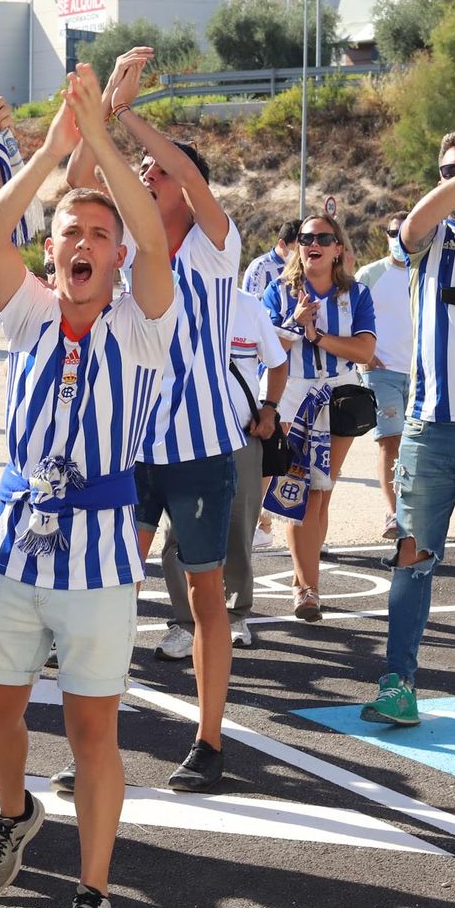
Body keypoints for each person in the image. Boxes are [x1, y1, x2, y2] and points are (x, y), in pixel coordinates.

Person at [0, 66, 173, 908]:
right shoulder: (30, 315)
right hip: (15, 542)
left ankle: (92, 894)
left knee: (93, 728)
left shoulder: (142, 322)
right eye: (68, 233)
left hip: (97, 552)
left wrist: (104, 132)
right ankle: (15, 813)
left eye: (99, 234)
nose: (82, 243)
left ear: (117, 254)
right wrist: (54, 148)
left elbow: (157, 236)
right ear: (50, 253)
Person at [68, 46, 246, 792]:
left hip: (203, 449)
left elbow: (192, 178)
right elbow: (80, 183)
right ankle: (94, 748)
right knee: (109, 588)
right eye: (143, 169)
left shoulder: (213, 245)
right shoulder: (132, 246)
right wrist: (103, 111)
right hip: (131, 446)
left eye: (158, 170)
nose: (146, 174)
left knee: (205, 594)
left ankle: (208, 739)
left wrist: (133, 114)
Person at [360, 103, 455, 728]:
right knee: (414, 559)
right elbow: (414, 224)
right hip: (431, 428)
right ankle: (399, 683)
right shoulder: (427, 240)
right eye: (450, 169)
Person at [153, 287, 286, 659]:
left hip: (240, 437)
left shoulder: (248, 305)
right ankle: (184, 624)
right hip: (183, 439)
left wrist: (270, 409)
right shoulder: (165, 299)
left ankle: (236, 616)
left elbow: (277, 363)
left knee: (238, 528)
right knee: (177, 535)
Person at [260, 214, 375, 620]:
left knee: (322, 493)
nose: (315, 243)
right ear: (297, 246)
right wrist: (296, 322)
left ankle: (302, 582)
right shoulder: (278, 291)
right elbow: (265, 345)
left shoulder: (356, 294)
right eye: (307, 237)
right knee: (300, 491)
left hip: (339, 396)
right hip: (292, 398)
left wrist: (318, 336)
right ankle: (308, 589)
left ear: (338, 248)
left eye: (325, 238)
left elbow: (364, 351)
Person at [361, 210, 413, 539]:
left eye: (405, 234)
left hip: (424, 375)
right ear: (386, 236)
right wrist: (365, 354)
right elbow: (348, 314)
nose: (398, 239)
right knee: (390, 442)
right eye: (393, 233)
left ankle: (414, 512)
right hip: (383, 375)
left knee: (418, 446)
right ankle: (394, 514)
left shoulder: (428, 272)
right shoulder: (370, 274)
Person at [241, 218, 300, 298]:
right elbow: (251, 303)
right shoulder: (260, 267)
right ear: (282, 244)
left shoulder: (303, 265)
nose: (300, 253)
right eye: (297, 248)